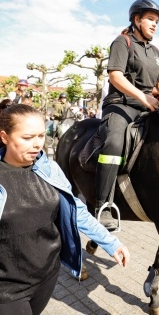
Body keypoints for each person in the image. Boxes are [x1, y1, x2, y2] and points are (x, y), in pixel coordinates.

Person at [0, 104, 130, 315]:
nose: (37, 145)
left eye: (41, 136)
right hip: (7, 289)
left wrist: (111, 243)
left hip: (47, 277)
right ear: (4, 137)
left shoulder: (48, 168)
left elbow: (76, 208)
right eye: (27, 138)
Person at [96, 0, 159, 229]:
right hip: (121, 105)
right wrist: (143, 97)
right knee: (114, 143)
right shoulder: (123, 41)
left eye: (156, 21)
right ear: (136, 19)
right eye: (150, 19)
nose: (154, 24)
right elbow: (115, 77)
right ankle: (103, 205)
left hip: (147, 107)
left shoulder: (156, 52)